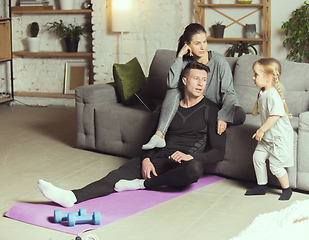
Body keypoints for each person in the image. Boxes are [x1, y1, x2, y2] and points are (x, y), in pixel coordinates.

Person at [38, 61, 226, 208]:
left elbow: (218, 150)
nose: (201, 84)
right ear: (184, 81)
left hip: (182, 165)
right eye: (196, 78)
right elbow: (153, 137)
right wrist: (146, 160)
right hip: (158, 158)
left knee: (194, 169)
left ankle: (142, 184)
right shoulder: (170, 107)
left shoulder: (211, 110)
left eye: (204, 80)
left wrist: (191, 156)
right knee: (113, 178)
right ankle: (72, 196)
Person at [142, 23, 245, 150]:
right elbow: (171, 84)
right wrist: (180, 56)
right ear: (188, 45)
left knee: (239, 113)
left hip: (215, 109)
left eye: (205, 41)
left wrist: (223, 116)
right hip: (195, 107)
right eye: (197, 43)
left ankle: (205, 124)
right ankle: (159, 135)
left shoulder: (219, 61)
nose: (203, 47)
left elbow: (229, 93)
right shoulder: (184, 62)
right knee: (173, 92)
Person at [245, 58, 294, 201]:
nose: (253, 77)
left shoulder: (273, 95)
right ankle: (261, 186)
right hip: (268, 136)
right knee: (258, 158)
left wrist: (261, 130)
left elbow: (275, 116)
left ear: (268, 78)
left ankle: (287, 189)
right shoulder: (263, 92)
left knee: (275, 166)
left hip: (278, 138)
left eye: (256, 74)